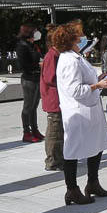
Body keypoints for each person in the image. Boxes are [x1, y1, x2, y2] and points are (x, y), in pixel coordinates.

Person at [55, 21, 107, 205]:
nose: (83, 38)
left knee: (95, 146)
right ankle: (71, 189)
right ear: (72, 38)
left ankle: (93, 183)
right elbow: (75, 90)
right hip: (78, 113)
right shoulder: (68, 60)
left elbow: (83, 80)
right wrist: (97, 85)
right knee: (73, 151)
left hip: (90, 109)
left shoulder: (77, 57)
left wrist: (98, 79)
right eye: (80, 35)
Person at [40, 24, 63, 172]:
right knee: (54, 131)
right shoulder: (52, 55)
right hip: (54, 99)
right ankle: (52, 160)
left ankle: (59, 157)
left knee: (59, 130)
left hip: (58, 99)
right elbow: (50, 78)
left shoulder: (57, 54)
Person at [16, 25, 43, 142]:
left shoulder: (32, 45)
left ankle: (35, 129)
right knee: (28, 106)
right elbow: (24, 65)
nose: (37, 33)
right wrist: (38, 65)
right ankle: (26, 132)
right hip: (29, 79)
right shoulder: (22, 46)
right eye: (34, 31)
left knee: (34, 106)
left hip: (37, 78)